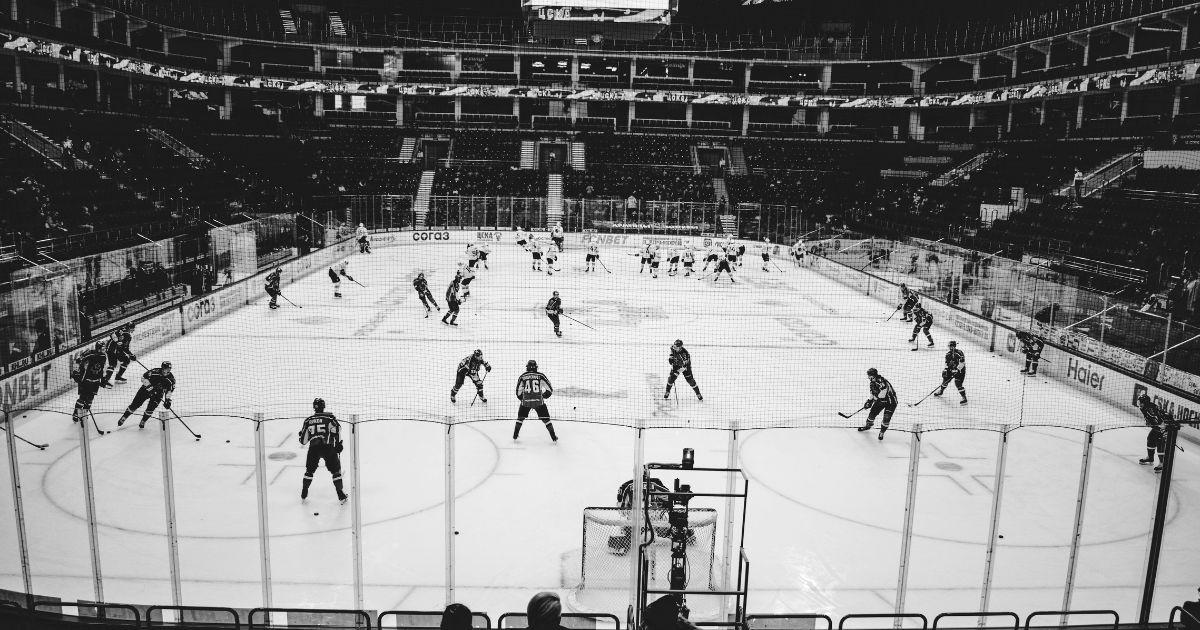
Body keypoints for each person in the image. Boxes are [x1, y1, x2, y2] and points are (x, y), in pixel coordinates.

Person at [299, 397, 347, 503]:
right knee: (336, 471)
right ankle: (340, 494)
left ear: (314, 407)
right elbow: (337, 430)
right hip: (328, 447)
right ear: (324, 406)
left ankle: (304, 491)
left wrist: (301, 435)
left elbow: (303, 441)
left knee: (309, 471)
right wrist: (338, 444)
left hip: (313, 449)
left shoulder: (308, 420)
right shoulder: (330, 418)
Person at [608, 475, 671, 555]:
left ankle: (621, 544)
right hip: (653, 521)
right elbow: (669, 499)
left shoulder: (627, 485)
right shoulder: (656, 483)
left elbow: (622, 507)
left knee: (630, 531)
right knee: (666, 529)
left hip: (637, 521)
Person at [117, 361, 175, 429]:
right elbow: (143, 377)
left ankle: (143, 421)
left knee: (151, 408)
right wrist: (149, 387)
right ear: (162, 368)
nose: (168, 371)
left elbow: (169, 391)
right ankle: (124, 417)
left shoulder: (171, 379)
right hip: (145, 390)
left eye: (169, 369)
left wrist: (167, 400)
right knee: (135, 404)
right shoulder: (154, 372)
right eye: (166, 369)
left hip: (158, 394)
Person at [514, 360, 557, 442]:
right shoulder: (540, 376)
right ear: (536, 367)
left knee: (520, 418)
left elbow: (518, 392)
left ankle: (515, 436)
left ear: (527, 367)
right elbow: (550, 389)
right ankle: (554, 437)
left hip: (525, 402)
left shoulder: (522, 377)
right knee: (546, 419)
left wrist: (523, 399)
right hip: (538, 402)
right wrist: (543, 396)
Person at [71, 341, 108, 423]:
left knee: (90, 400)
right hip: (86, 381)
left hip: (96, 382)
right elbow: (78, 360)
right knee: (82, 399)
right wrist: (77, 372)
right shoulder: (90, 354)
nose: (104, 350)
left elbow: (101, 369)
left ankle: (84, 414)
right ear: (98, 349)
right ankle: (76, 414)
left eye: (104, 348)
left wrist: (103, 379)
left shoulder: (103, 356)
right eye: (102, 348)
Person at [857, 368, 897, 440]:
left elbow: (882, 395)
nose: (868, 377)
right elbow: (873, 393)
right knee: (872, 413)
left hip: (891, 402)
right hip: (880, 400)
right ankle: (868, 426)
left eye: (869, 375)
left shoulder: (882, 381)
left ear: (873, 376)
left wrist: (874, 400)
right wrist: (869, 401)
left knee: (886, 418)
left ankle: (882, 432)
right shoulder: (872, 383)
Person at [1136, 392, 1171, 472]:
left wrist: (1164, 430)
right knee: (1150, 439)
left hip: (1163, 427)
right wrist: (1149, 423)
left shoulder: (1150, 410)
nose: (1139, 404)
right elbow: (1152, 420)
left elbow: (1160, 421)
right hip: (1158, 427)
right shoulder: (1145, 407)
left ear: (1145, 403)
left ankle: (1162, 464)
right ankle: (1150, 458)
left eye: (1140, 402)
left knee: (1160, 444)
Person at [933, 340, 967, 405]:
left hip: (960, 371)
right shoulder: (948, 354)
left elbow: (962, 363)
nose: (951, 348)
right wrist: (946, 370)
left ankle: (964, 398)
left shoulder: (959, 353)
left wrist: (957, 370)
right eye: (950, 346)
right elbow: (946, 364)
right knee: (945, 380)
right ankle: (941, 391)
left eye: (952, 346)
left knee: (958, 383)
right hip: (951, 370)